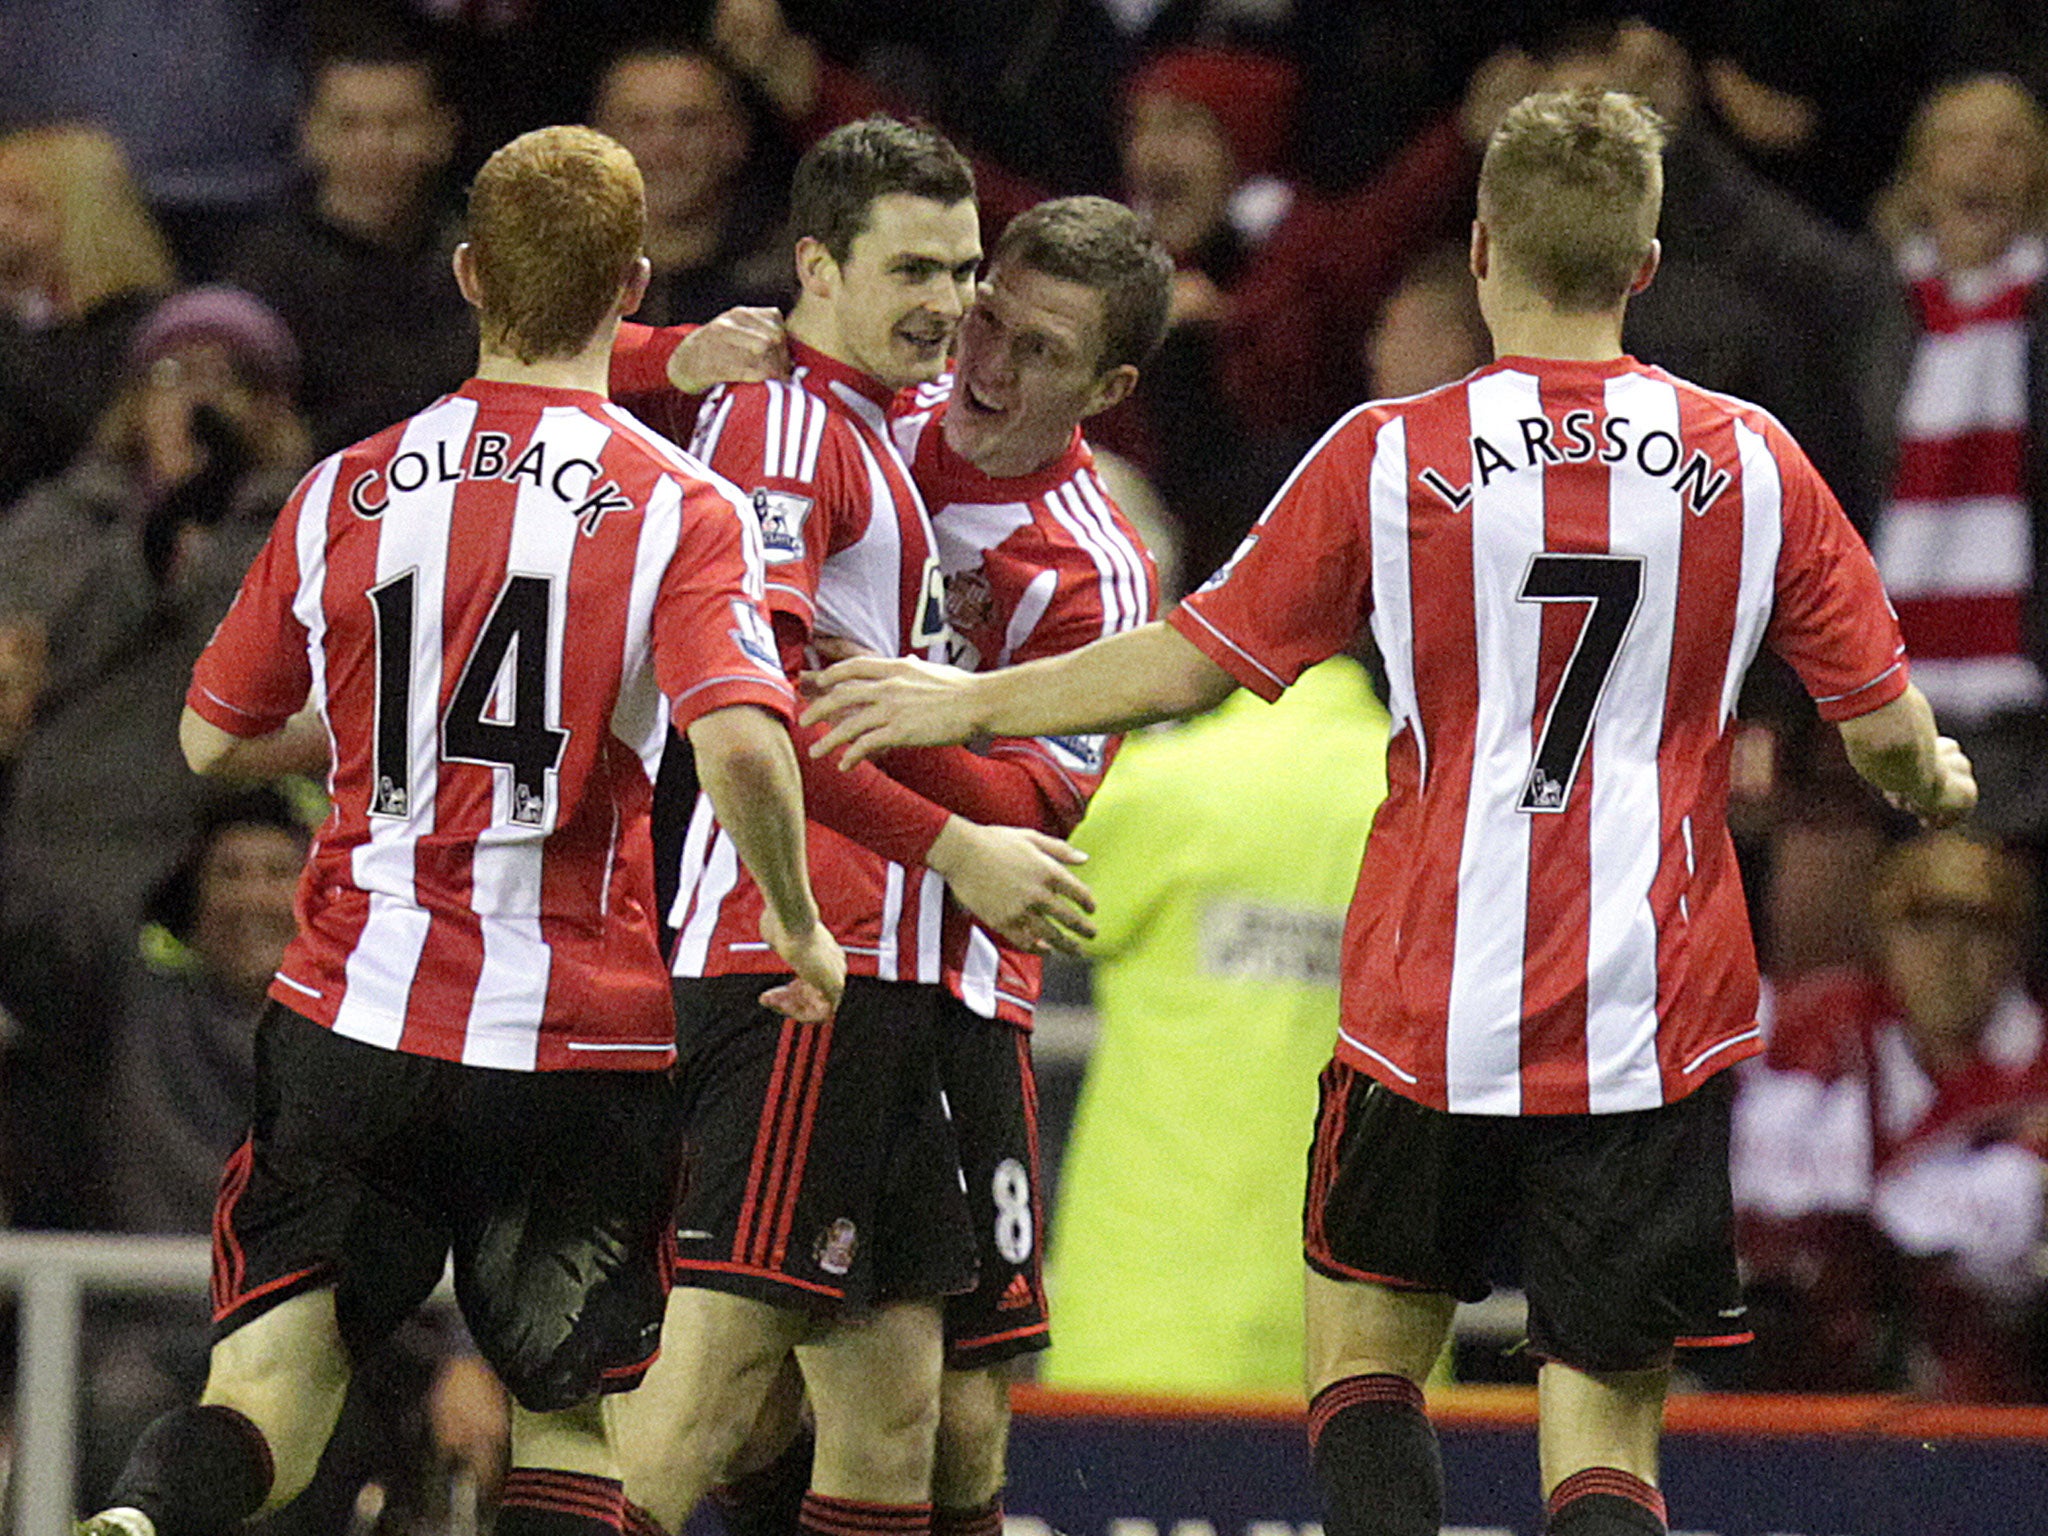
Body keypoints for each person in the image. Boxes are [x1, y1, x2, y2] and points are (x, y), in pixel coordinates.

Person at [804, 89, 1980, 1536]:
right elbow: (1885, 730)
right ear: (1646, 265)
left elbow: (1189, 659)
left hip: (1432, 994)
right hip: (1651, 1003)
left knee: (1366, 1366)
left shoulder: (1390, 457)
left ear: (1481, 249)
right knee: (1605, 1426)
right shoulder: (1753, 463)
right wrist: (1931, 780)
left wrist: (957, 700)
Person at [74, 123, 843, 1536]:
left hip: (352, 1011)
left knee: (265, 1391)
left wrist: (373, 740)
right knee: (569, 1421)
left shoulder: (346, 487)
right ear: (633, 287)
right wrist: (799, 922)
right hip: (569, 1036)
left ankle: (139, 1523)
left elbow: (209, 737)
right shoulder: (685, 508)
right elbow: (740, 732)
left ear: (470, 273)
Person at [603, 119, 1097, 1536]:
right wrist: (965, 850)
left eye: (960, 268)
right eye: (911, 268)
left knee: (891, 1418)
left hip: (878, 974)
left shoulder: (866, 425)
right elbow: (760, 714)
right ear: (817, 266)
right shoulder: (784, 429)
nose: (945, 302)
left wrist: (665, 353)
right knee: (706, 1398)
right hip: (795, 963)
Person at [1734, 831, 2048, 1401]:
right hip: (1808, 1369)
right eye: (1922, 926)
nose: (1947, 955)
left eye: (1978, 927)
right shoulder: (1818, 1026)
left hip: (1994, 1392)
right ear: (1884, 942)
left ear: (2014, 948)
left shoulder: (2037, 1069)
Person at [1865, 73, 2048, 844]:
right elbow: (1764, 242)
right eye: (1961, 142)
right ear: (1921, 173)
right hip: (1890, 707)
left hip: (2031, 703)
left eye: (2010, 144)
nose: (1985, 163)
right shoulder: (1868, 312)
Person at [225, 32, 474, 456]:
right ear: (310, 135)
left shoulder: (480, 264)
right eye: (350, 124)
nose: (374, 146)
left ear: (442, 133)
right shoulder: (262, 273)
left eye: (398, 123)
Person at [586, 41, 788, 327]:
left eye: (689, 122)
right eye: (638, 124)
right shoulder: (556, 279)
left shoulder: (794, 281)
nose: (664, 150)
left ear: (735, 136)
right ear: (596, 143)